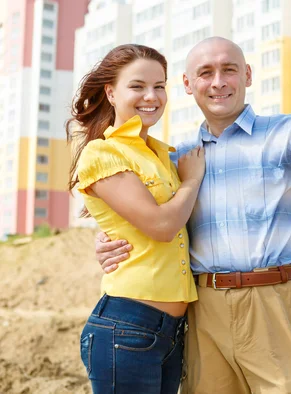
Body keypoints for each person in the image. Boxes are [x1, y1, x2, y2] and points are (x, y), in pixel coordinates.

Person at [94, 33, 291, 394]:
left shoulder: (290, 134)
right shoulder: (177, 159)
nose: (218, 82)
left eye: (229, 70)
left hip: (275, 303)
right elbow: (145, 217)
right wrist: (106, 240)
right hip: (203, 310)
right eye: (205, 72)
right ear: (187, 84)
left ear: (247, 74)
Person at [67, 44, 205, 393]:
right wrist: (191, 181)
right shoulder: (103, 153)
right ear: (111, 93)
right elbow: (161, 226)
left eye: (160, 86)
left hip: (173, 329)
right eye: (138, 86)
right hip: (127, 326)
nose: (152, 96)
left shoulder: (162, 154)